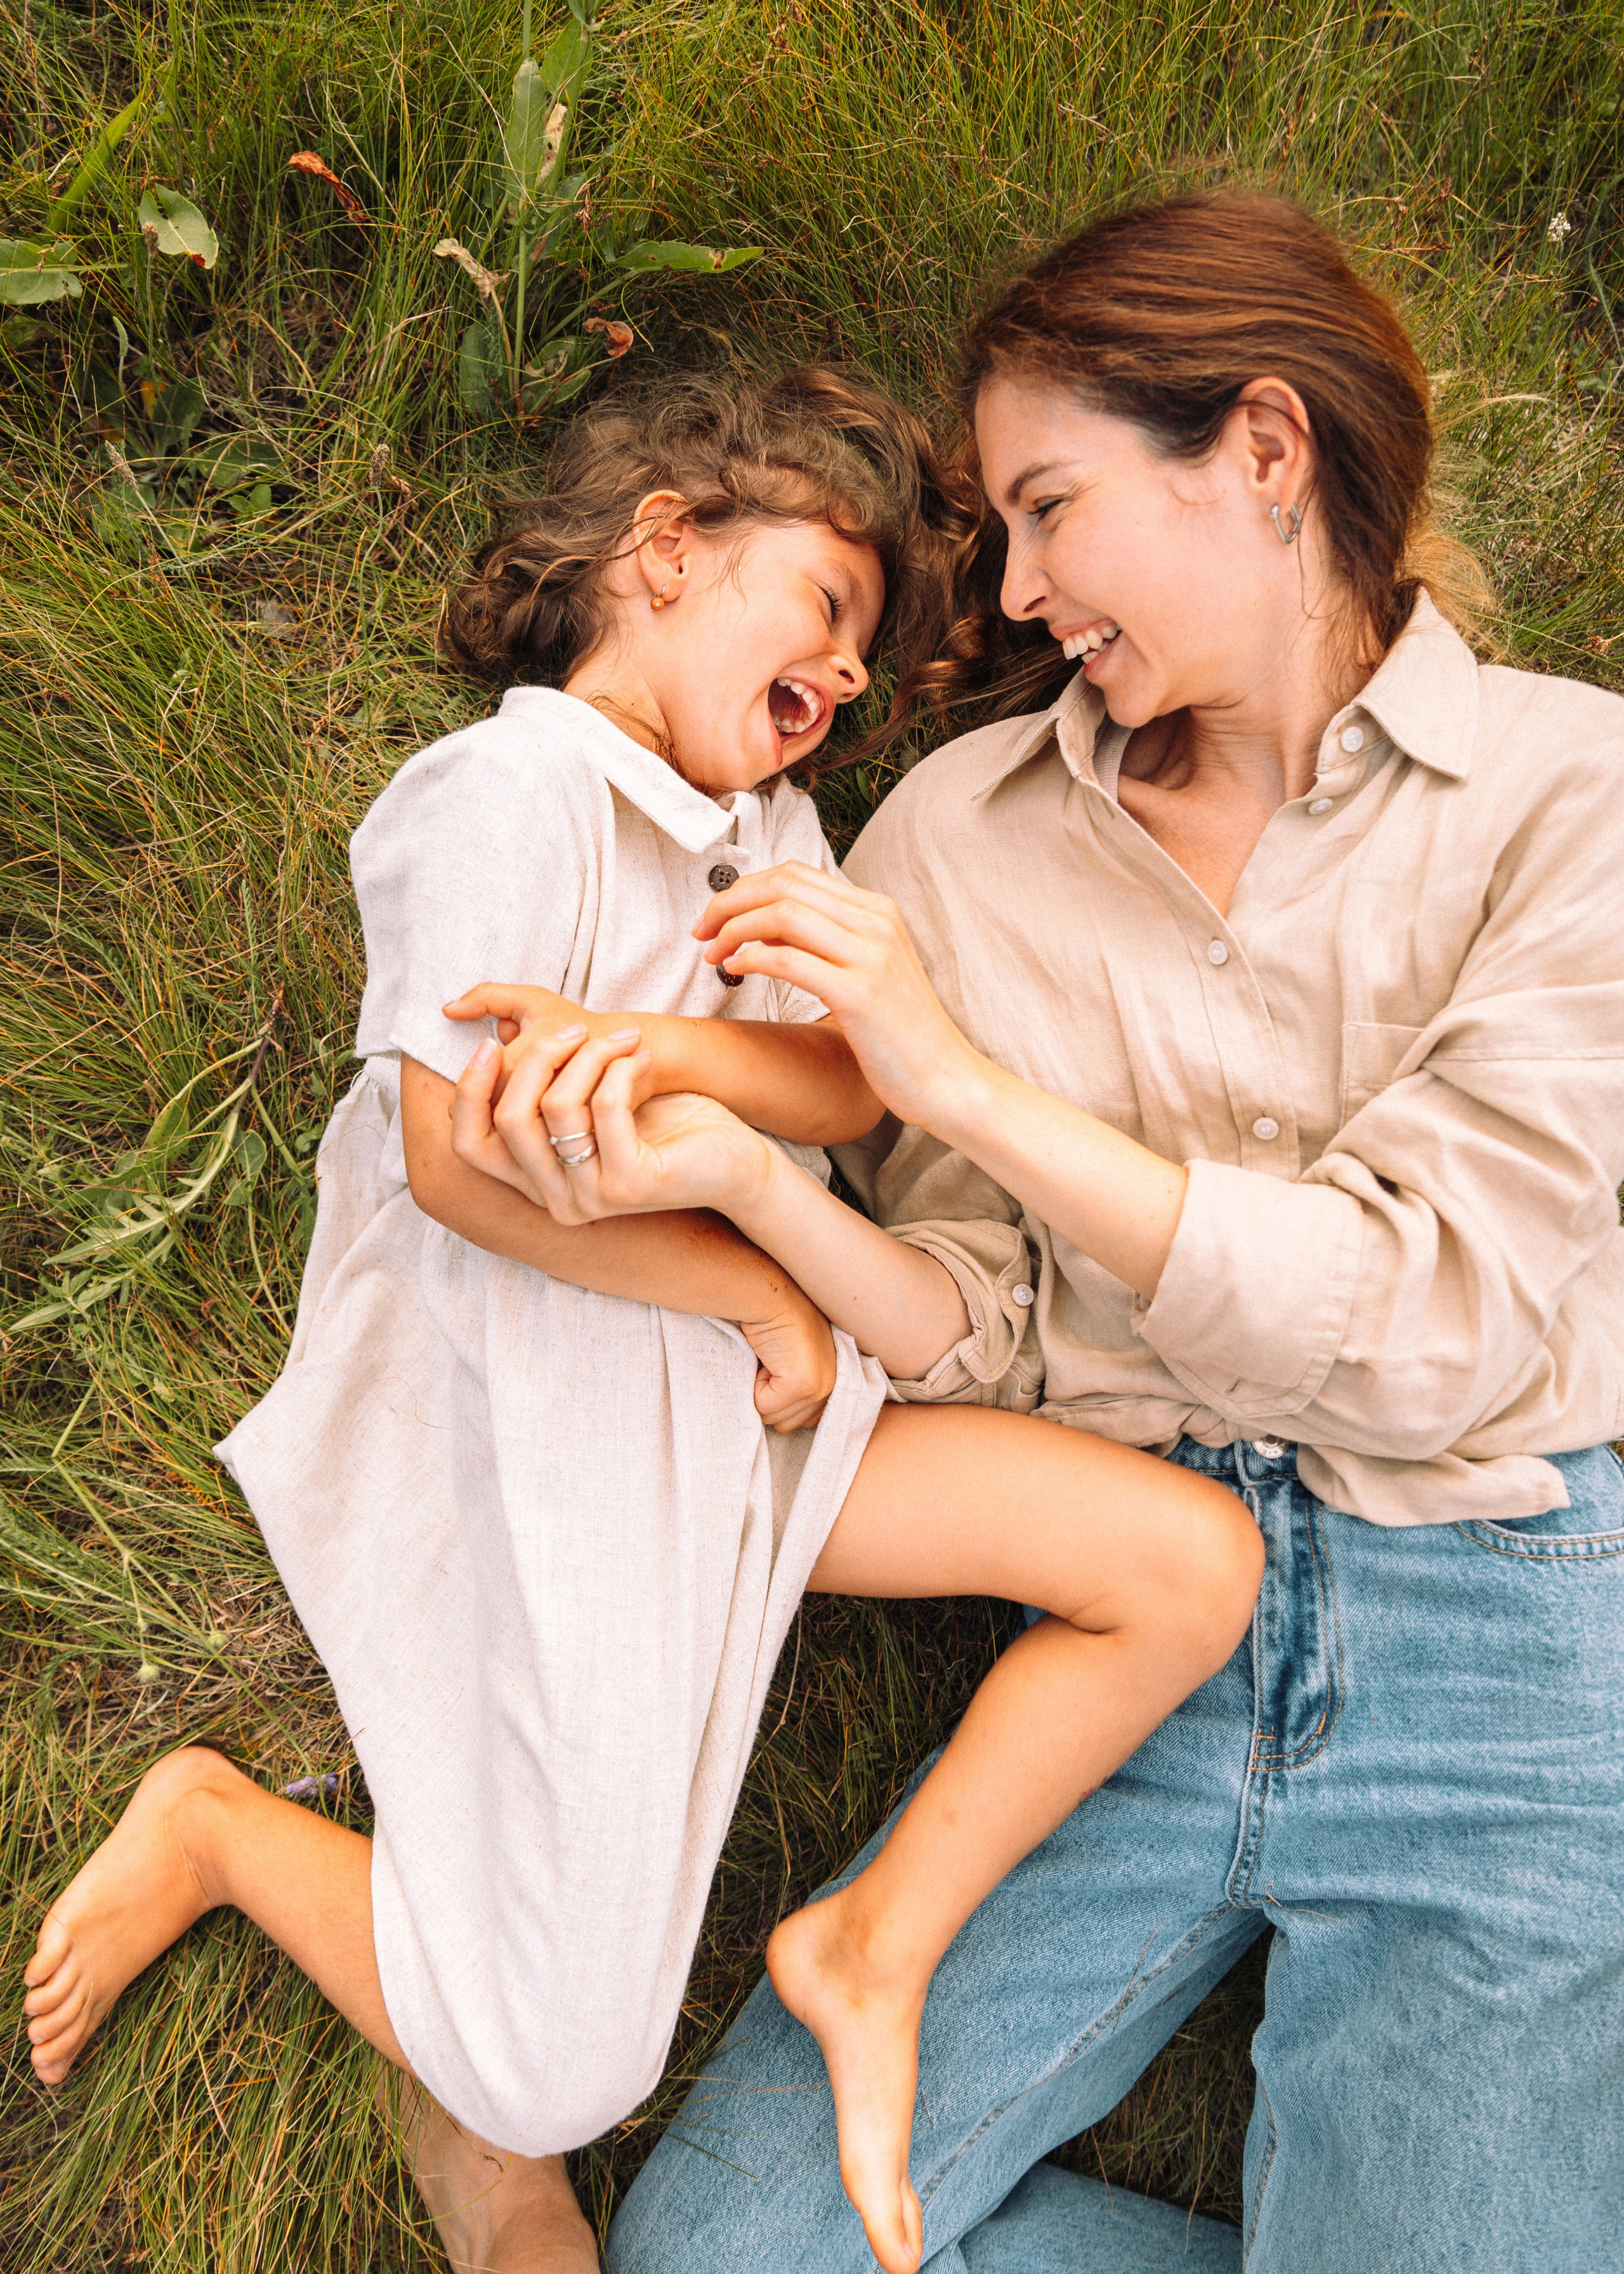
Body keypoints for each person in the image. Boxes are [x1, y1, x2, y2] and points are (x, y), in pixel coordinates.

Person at [20, 365, 1260, 2274]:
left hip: (742, 1412)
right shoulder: (509, 790)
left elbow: (848, 1088)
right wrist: (751, 1280)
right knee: (553, 2080)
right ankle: (217, 1832)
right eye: (827, 615)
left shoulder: (764, 839)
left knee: (1189, 1563)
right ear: (663, 552)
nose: (839, 684)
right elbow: (459, 1168)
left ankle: (872, 1940)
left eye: (861, 667)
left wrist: (682, 1064)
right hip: (552, 1393)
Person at [591, 191, 1624, 2271]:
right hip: (1127, 1622)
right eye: (1003, 527)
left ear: (1261, 449)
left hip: (1506, 1624)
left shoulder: (1572, 795)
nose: (1025, 582)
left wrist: (970, 1083)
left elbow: (1429, 1324)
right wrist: (759, 1180)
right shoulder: (953, 843)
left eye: (1051, 506)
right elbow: (972, 1321)